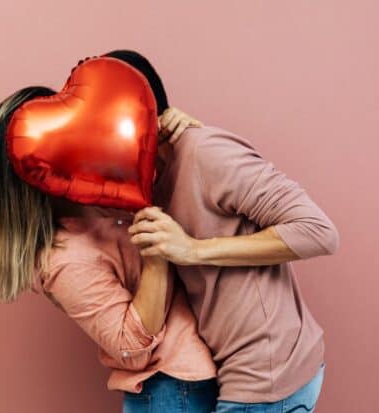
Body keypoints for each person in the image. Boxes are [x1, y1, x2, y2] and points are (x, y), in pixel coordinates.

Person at [0, 80, 219, 412]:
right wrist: (156, 255)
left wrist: (184, 140)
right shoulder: (63, 257)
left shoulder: (102, 195)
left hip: (205, 379)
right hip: (172, 391)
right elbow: (131, 349)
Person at [123, 50, 340, 412]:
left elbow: (319, 231)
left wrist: (193, 249)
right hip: (235, 372)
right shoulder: (146, 180)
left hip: (267, 378)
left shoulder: (205, 151)